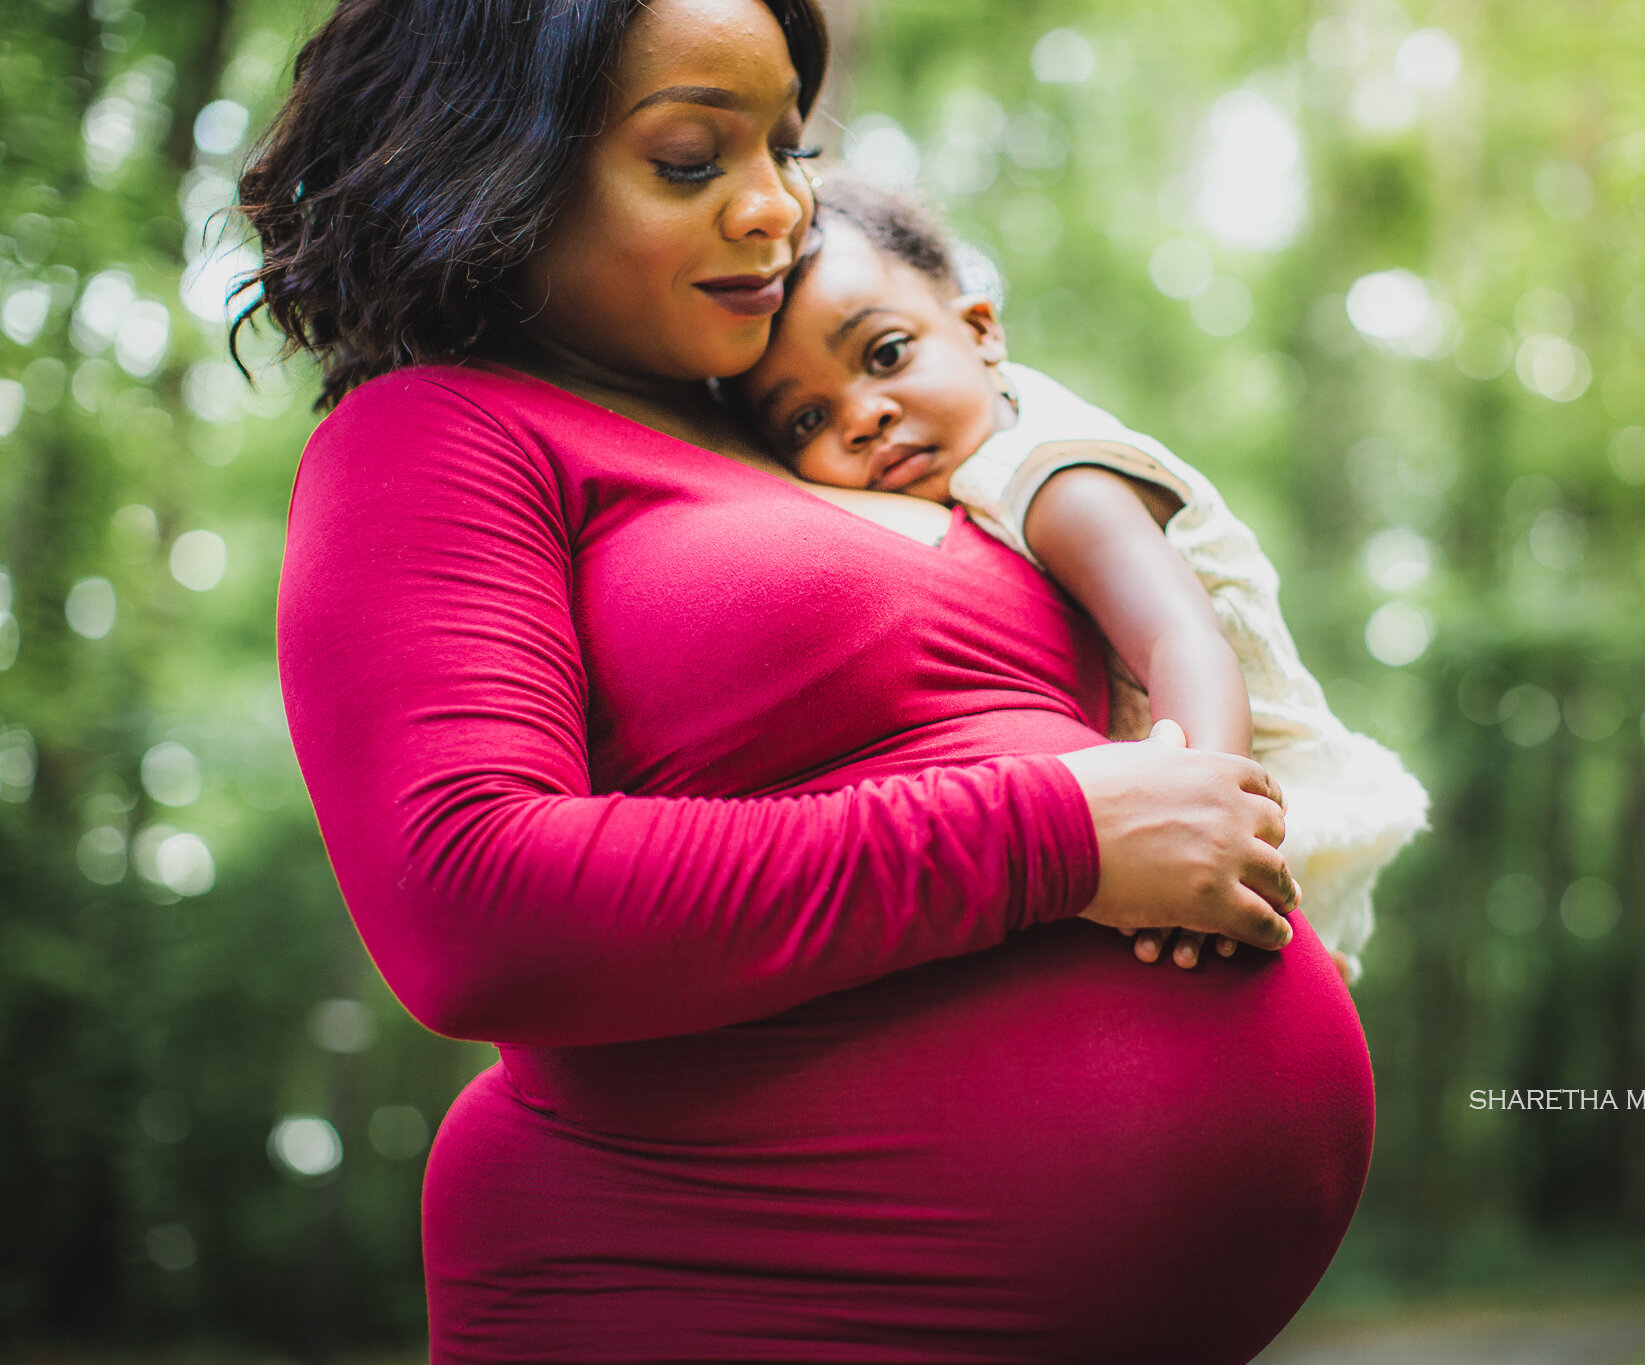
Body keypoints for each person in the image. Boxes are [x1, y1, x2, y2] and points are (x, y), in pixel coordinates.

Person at [246, 0, 1374, 1359]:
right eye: (689, 159)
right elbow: (471, 902)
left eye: (785, 145)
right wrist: (1054, 836)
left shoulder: (817, 422)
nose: (777, 207)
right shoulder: (439, 436)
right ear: (497, 163)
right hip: (689, 1287)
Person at [735, 177, 1429, 981]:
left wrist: (1207, 810)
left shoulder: (1050, 478)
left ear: (981, 329)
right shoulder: (984, 442)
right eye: (807, 420)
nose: (864, 414)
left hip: (1254, 790)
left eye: (886, 354)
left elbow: (1180, 636)